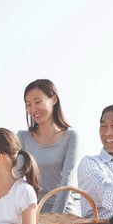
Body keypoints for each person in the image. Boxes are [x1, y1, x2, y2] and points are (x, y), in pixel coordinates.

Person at [17, 79, 80, 215]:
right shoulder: (22, 137)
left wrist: (53, 218)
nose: (33, 109)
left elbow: (67, 182)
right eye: (28, 105)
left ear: (54, 99)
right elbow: (17, 177)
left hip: (63, 212)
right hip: (32, 211)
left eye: (38, 102)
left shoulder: (71, 137)